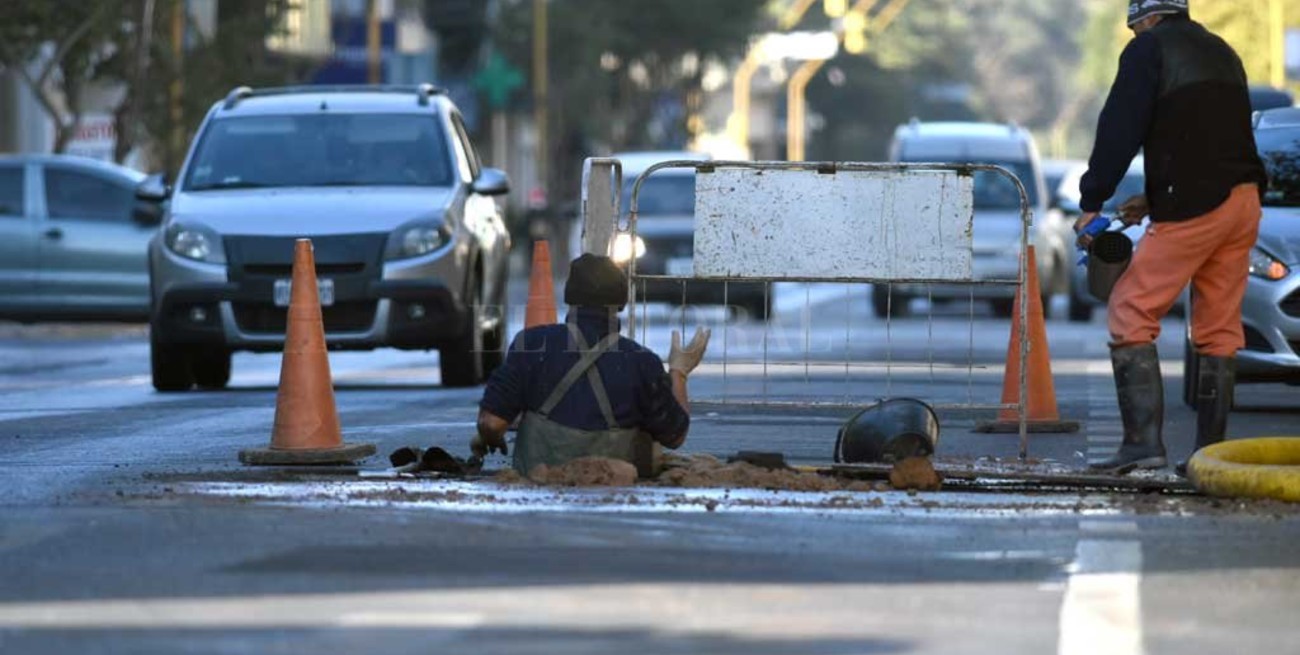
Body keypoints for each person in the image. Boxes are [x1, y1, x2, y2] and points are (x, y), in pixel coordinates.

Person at [1074, 0, 1267, 475]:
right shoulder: (1221, 50)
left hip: (1196, 204)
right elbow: (1209, 139)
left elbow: (1120, 127)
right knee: (1218, 327)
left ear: (1146, 18)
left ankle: (1142, 445)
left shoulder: (1149, 51)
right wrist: (1153, 198)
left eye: (1137, 28)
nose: (1136, 35)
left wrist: (1091, 201)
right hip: (1242, 199)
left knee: (1131, 311)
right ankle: (1209, 456)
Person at [472, 254, 711, 476]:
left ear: (569, 297)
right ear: (621, 303)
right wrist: (679, 372)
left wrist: (488, 436)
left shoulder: (531, 344)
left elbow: (492, 423)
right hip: (614, 487)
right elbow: (676, 436)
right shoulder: (642, 362)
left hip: (540, 484)